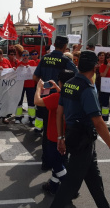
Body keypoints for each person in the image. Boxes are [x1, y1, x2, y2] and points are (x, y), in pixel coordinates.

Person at [51, 50, 110, 208]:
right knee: (70, 183)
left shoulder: (68, 84)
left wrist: (60, 138)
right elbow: (98, 121)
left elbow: (59, 112)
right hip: (83, 139)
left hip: (73, 135)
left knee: (93, 176)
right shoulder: (87, 89)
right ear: (95, 67)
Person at [33, 35, 78, 171]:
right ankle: (60, 163)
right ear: (65, 46)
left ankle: (45, 161)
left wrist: (43, 87)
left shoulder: (45, 58)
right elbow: (76, 77)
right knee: (60, 131)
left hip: (45, 99)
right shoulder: (65, 60)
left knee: (47, 131)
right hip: (60, 99)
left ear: (53, 44)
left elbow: (35, 77)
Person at [34, 69, 75, 195]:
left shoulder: (57, 97)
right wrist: (58, 88)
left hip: (55, 135)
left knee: (56, 164)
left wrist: (38, 88)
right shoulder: (73, 94)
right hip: (69, 133)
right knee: (61, 160)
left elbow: (37, 101)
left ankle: (70, 189)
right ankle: (53, 185)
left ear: (60, 81)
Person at [16, 50, 38, 124]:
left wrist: (30, 68)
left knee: (31, 102)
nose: (25, 57)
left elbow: (35, 72)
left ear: (28, 56)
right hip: (21, 86)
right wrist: (17, 68)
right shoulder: (19, 63)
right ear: (21, 56)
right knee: (19, 101)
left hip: (30, 85)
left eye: (26, 55)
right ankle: (18, 117)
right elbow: (15, 73)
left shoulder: (32, 62)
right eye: (23, 55)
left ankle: (32, 118)